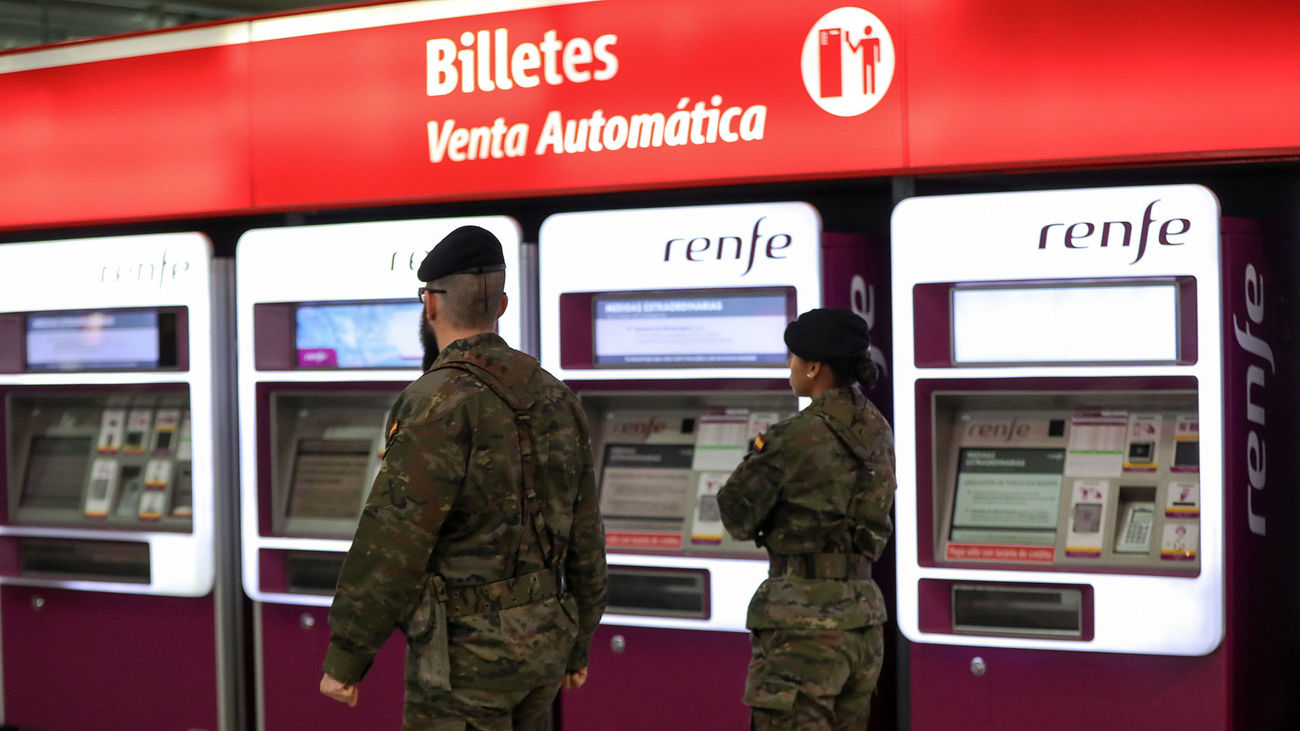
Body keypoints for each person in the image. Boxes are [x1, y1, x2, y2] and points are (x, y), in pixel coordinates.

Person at [319, 225, 608, 730]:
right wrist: (579, 642)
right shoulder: (560, 398)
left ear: (430, 304)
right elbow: (586, 534)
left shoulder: (436, 401)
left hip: (464, 657)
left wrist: (349, 654)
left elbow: (394, 539)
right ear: (502, 305)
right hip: (545, 642)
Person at [716, 307, 895, 730]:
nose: (788, 366)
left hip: (803, 627)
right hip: (864, 621)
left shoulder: (793, 437)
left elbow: (736, 515)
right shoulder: (877, 428)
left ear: (814, 367)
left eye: (792, 357)